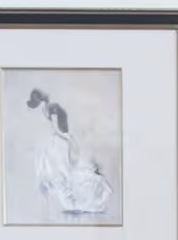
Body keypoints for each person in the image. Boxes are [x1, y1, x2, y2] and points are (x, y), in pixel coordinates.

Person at [26, 87, 113, 218]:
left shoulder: (50, 114)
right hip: (56, 144)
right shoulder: (47, 115)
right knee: (63, 173)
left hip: (57, 143)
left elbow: (60, 124)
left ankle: (74, 191)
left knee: (64, 172)